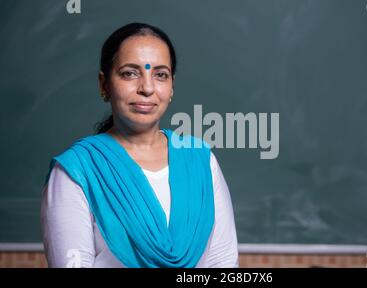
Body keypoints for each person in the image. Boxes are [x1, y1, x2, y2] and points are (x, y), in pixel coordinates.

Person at [40, 23, 239, 268]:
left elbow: (223, 263)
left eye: (160, 74)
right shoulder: (76, 170)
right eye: (130, 73)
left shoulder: (201, 161)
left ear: (172, 87)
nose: (146, 88)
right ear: (104, 85)